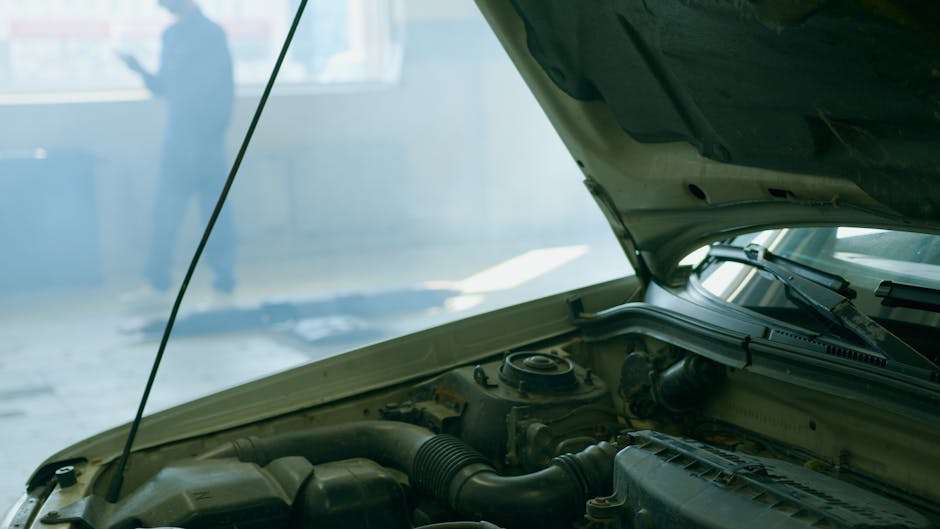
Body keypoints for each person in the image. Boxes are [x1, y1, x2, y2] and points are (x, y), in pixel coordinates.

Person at [120, 0, 236, 297]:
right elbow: (165, 87)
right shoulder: (170, 35)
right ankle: (157, 281)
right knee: (165, 212)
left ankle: (224, 280)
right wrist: (139, 70)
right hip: (178, 140)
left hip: (206, 141)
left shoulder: (211, 34)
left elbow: (222, 90)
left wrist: (210, 136)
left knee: (214, 213)